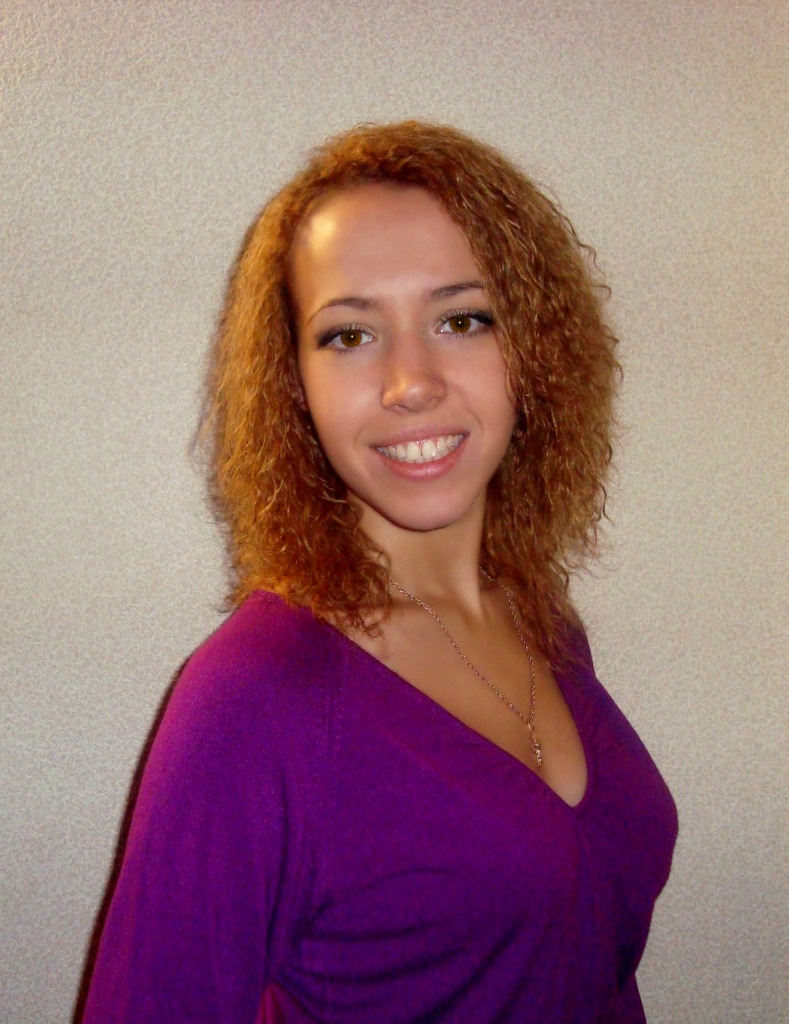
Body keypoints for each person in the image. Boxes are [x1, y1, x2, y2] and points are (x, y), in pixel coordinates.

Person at [81, 121, 677, 1023]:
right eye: (350, 335)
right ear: (295, 385)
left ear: (532, 351)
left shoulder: (542, 621)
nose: (410, 382)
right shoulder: (252, 702)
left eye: (461, 319)